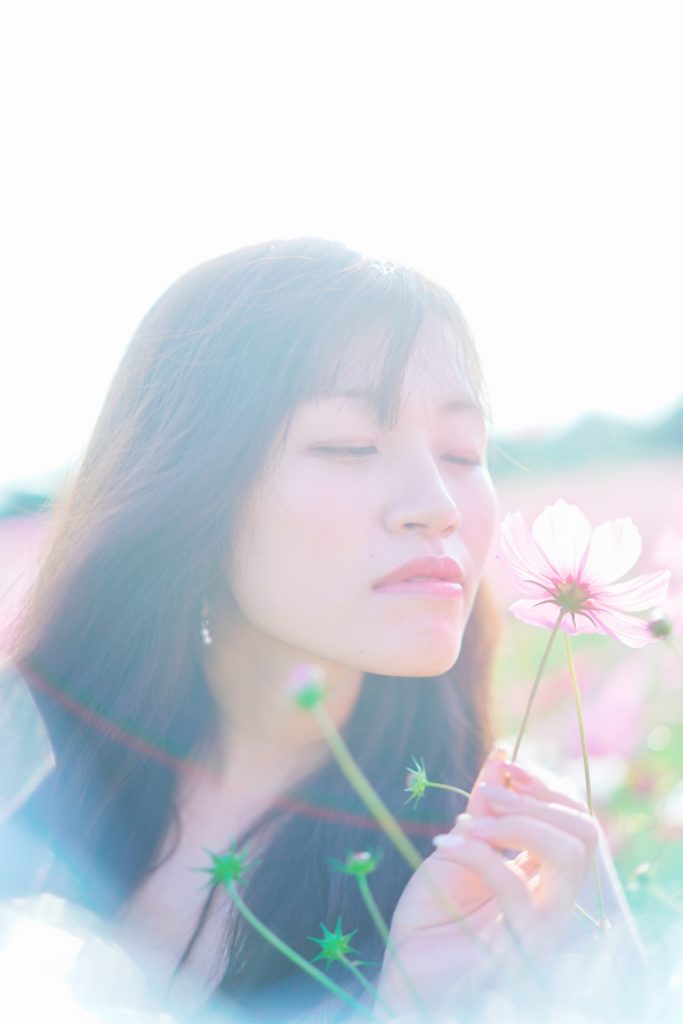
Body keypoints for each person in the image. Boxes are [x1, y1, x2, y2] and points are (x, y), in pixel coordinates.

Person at [2, 238, 647, 1023]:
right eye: (349, 446)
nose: (437, 505)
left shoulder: (526, 865)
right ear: (191, 485)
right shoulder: (19, 774)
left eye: (461, 452)